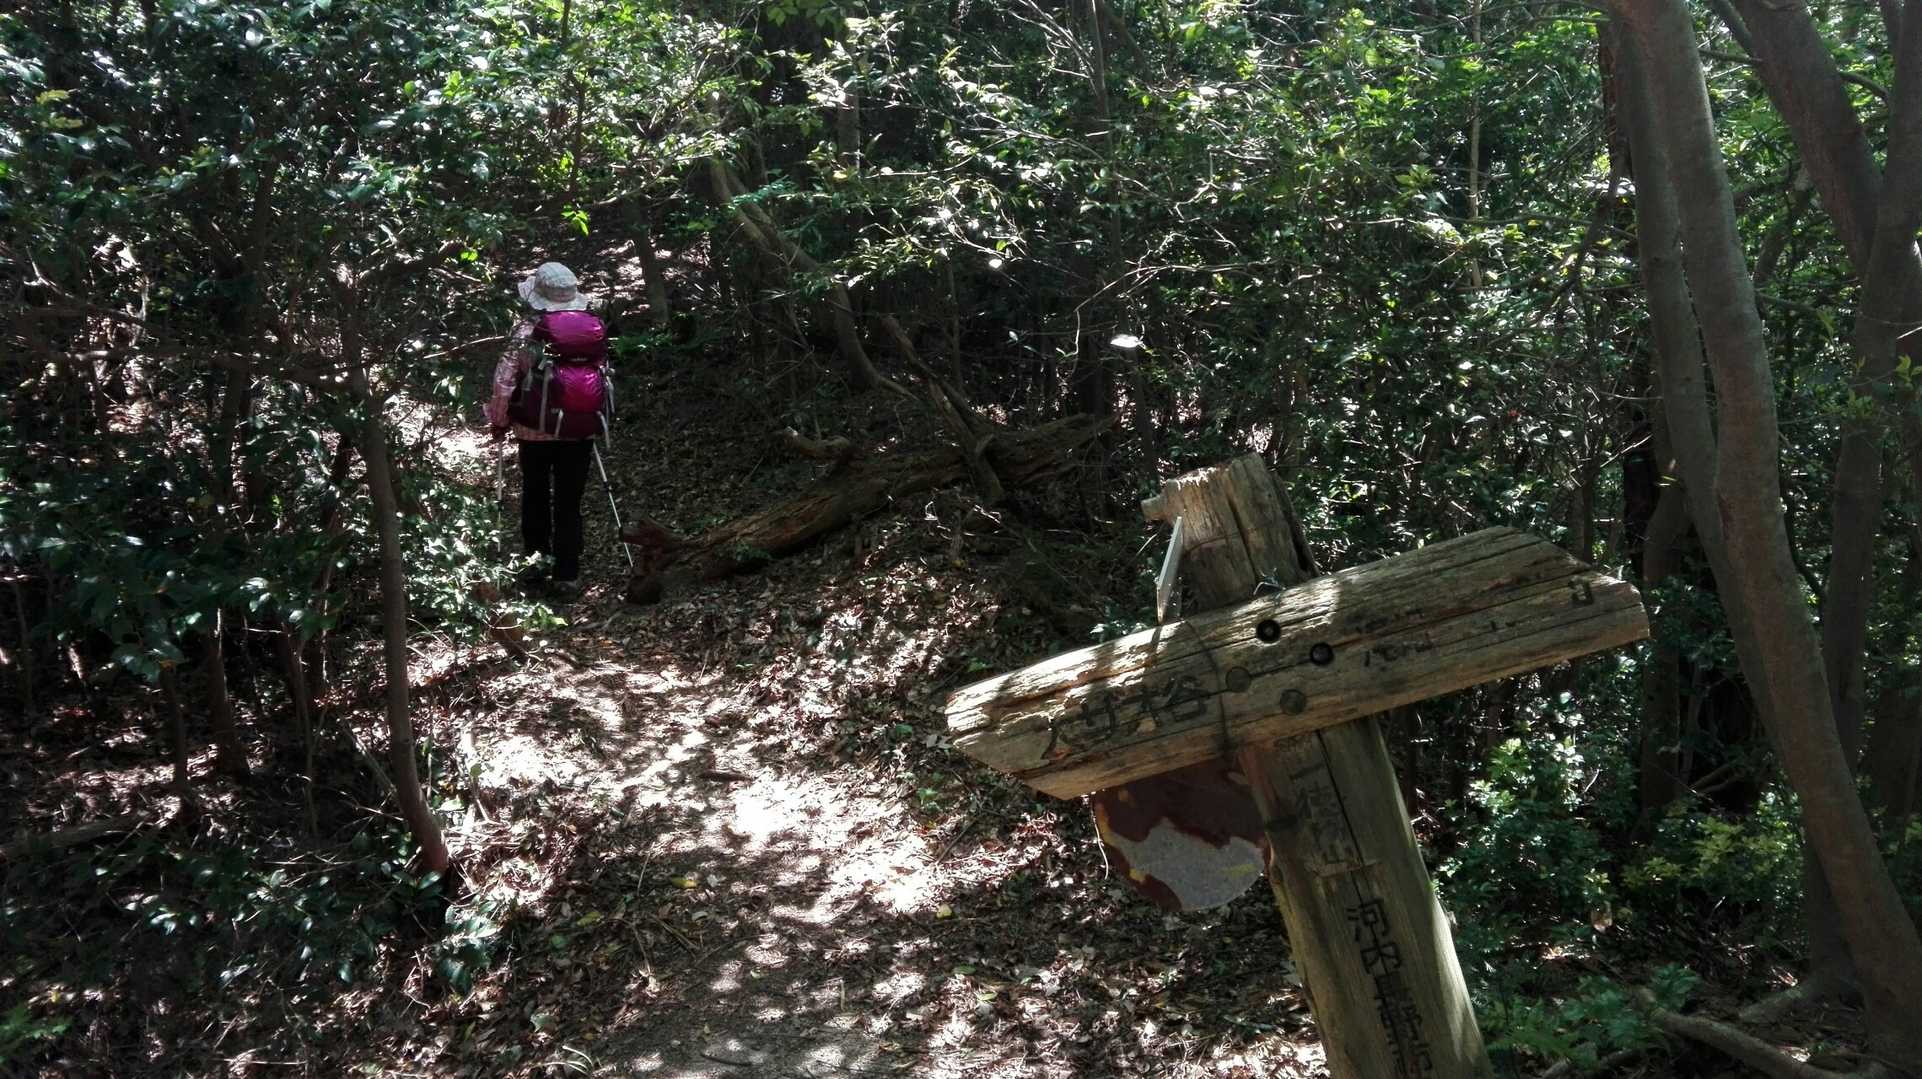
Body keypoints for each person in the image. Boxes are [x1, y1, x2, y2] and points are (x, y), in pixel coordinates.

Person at [485, 262, 608, 594]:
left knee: (535, 495)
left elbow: (504, 379)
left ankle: (536, 568)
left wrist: (498, 420)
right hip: (579, 427)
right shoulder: (591, 328)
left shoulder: (527, 330)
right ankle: (567, 574)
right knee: (570, 501)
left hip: (533, 429)